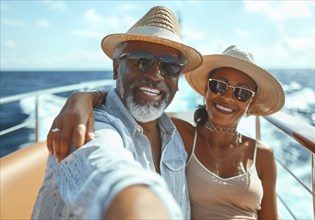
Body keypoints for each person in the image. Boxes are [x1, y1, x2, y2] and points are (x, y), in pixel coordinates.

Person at [49, 45, 285, 219]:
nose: (227, 97)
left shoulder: (262, 154)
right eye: (219, 86)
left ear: (250, 104)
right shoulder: (180, 134)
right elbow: (134, 104)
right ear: (206, 89)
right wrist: (83, 98)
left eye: (241, 93)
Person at [32, 6, 202, 219]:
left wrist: (89, 96)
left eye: (170, 66)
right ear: (115, 68)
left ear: (178, 79)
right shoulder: (88, 127)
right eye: (141, 60)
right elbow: (109, 175)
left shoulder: (175, 136)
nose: (156, 75)